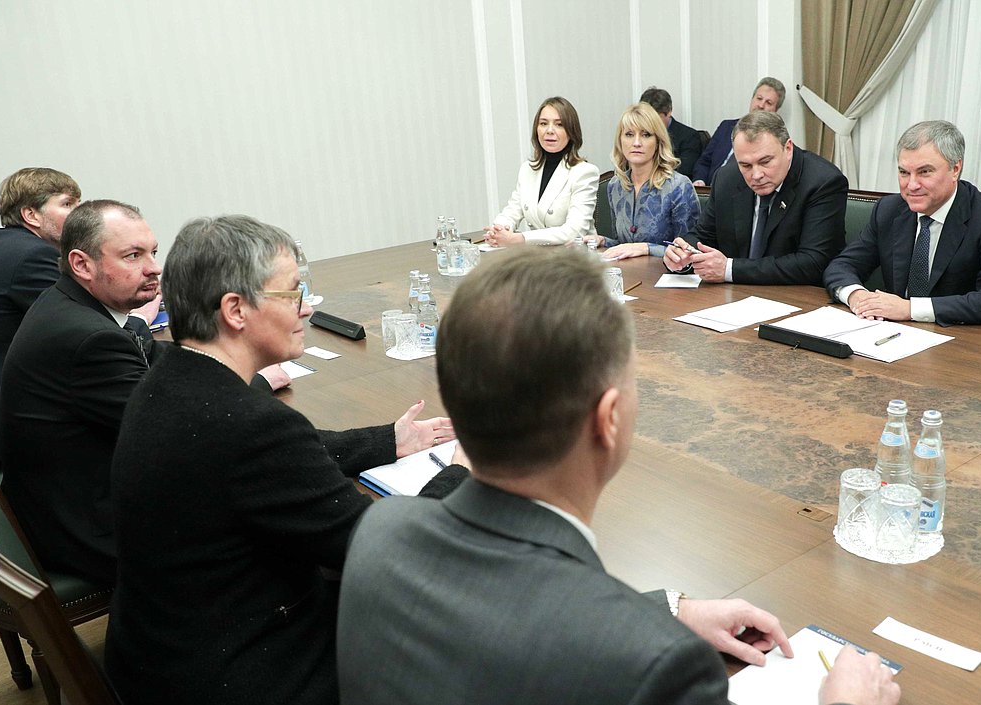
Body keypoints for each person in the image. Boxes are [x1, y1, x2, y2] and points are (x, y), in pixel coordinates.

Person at [337, 247, 900, 705]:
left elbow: (513, 612)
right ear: (608, 419)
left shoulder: (381, 532)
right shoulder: (655, 669)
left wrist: (668, 612)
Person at [104, 215, 461, 705]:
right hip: (243, 672)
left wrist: (387, 441)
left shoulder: (170, 380)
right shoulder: (249, 425)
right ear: (236, 310)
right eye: (293, 293)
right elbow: (386, 551)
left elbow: (287, 458)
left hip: (159, 652)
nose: (307, 307)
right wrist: (464, 473)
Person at [0, 200, 163, 586]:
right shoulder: (88, 338)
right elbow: (169, 429)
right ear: (82, 264)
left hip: (62, 502)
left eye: (153, 252)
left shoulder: (71, 302)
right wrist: (249, 379)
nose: (153, 267)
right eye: (133, 256)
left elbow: (156, 359)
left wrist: (220, 365)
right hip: (84, 529)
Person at [823, 120, 981, 325]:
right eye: (904, 172)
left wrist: (909, 309)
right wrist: (858, 297)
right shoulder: (889, 210)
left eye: (925, 172)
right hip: (890, 335)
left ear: (955, 168)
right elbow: (842, 266)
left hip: (958, 340)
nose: (912, 185)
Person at [664, 110, 848, 285]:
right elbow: (703, 236)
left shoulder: (823, 182)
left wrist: (729, 269)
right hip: (733, 297)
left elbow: (813, 262)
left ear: (788, 148)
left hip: (798, 299)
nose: (756, 175)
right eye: (745, 165)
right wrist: (681, 255)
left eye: (765, 162)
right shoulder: (727, 178)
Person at [0, 168, 80, 466]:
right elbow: (81, 324)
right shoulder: (33, 256)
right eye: (68, 204)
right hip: (15, 422)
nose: (79, 215)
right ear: (31, 214)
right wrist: (140, 319)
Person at [485, 96, 600, 246]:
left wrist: (520, 239)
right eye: (543, 123)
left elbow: (574, 231)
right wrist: (497, 230)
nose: (549, 131)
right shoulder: (527, 169)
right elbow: (512, 210)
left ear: (571, 132)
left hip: (575, 259)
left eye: (559, 125)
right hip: (540, 257)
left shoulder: (584, 172)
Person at [593, 102, 700, 261]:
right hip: (630, 276)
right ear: (620, 141)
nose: (636, 143)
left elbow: (688, 252)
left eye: (646, 135)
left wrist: (647, 248)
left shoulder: (678, 186)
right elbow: (625, 245)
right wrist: (603, 241)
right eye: (629, 134)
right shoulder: (616, 185)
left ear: (658, 141)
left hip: (667, 278)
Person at [692, 76, 785, 187]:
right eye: (759, 98)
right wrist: (699, 180)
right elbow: (705, 161)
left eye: (768, 102)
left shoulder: (774, 138)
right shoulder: (726, 126)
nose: (761, 105)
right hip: (708, 190)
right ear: (752, 99)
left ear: (776, 110)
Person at [640, 86, 703, 179]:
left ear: (668, 112)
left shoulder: (689, 137)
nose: (650, 123)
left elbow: (684, 172)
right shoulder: (636, 137)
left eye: (655, 118)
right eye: (645, 117)